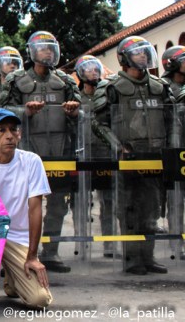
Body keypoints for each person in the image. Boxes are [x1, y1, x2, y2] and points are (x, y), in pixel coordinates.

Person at [93, 36, 175, 275]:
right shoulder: (110, 86)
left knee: (151, 210)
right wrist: (117, 147)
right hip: (127, 158)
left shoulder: (160, 86)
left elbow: (172, 121)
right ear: (124, 58)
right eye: (136, 53)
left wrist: (171, 147)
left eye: (144, 52)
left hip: (156, 157)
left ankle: (148, 257)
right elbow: (99, 123)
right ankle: (132, 260)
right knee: (128, 209)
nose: (142, 56)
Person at [2, 31, 81, 273]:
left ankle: (52, 252)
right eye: (43, 48)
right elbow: (3, 112)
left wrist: (73, 110)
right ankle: (18, 255)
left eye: (51, 48)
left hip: (60, 150)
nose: (48, 52)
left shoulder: (66, 81)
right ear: (32, 52)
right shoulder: (16, 80)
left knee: (58, 204)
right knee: (22, 206)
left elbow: (81, 113)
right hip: (27, 151)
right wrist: (24, 111)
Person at [0, 108, 53, 309]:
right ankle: (6, 274)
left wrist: (32, 256)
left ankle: (13, 277)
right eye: (1, 130)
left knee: (40, 300)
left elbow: (35, 209)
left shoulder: (31, 161)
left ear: (19, 135)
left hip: (17, 236)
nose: (9, 136)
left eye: (13, 130)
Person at [74, 55, 118, 259]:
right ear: (81, 74)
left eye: (96, 68)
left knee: (109, 201)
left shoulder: (107, 97)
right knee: (80, 203)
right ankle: (81, 244)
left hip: (103, 153)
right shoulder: (74, 99)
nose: (94, 72)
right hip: (81, 155)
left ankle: (109, 244)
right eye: (89, 69)